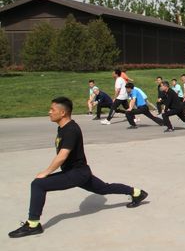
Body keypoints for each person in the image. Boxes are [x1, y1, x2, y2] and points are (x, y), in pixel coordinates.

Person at [8, 97, 148, 238]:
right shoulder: (63, 128)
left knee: (38, 184)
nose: (49, 112)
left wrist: (46, 172)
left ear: (62, 113)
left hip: (76, 173)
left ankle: (33, 225)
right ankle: (137, 193)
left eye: (52, 109)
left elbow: (62, 155)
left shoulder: (70, 130)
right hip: (80, 172)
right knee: (104, 188)